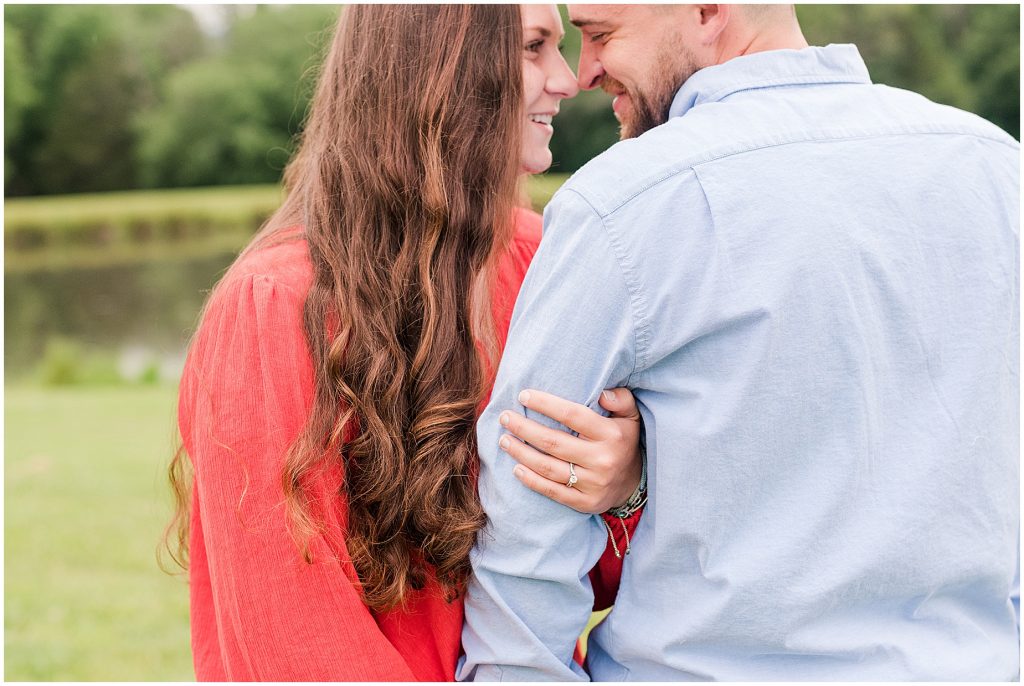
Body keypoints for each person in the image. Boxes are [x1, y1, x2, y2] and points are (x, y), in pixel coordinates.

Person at [460, 4, 1019, 681]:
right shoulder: (996, 169)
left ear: (706, 11)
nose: (585, 73)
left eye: (601, 35)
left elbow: (528, 510)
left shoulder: (626, 202)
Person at [166, 5, 645, 681]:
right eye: (535, 48)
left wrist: (622, 483)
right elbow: (294, 644)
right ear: (442, 69)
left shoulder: (541, 258)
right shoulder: (275, 305)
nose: (568, 79)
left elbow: (584, 574)